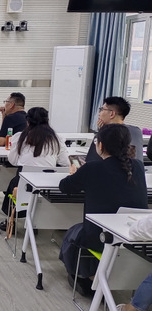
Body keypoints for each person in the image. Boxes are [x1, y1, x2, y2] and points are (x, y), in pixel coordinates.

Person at [58, 124, 148, 296]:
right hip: (135, 237)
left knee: (73, 233)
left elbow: (65, 187)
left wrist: (74, 174)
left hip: (101, 237)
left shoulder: (92, 168)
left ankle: (89, 278)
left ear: (100, 145)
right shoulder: (137, 166)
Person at [2, 106, 70, 218]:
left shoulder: (20, 137)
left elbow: (13, 161)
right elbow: (65, 163)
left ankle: (13, 218)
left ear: (28, 122)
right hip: (49, 184)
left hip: (23, 183)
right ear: (47, 121)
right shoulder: (57, 138)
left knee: (14, 183)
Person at [86, 96, 143, 163]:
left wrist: (101, 132)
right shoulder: (137, 131)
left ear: (112, 114)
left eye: (102, 109)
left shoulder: (107, 134)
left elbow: (91, 162)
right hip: (135, 169)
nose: (99, 114)